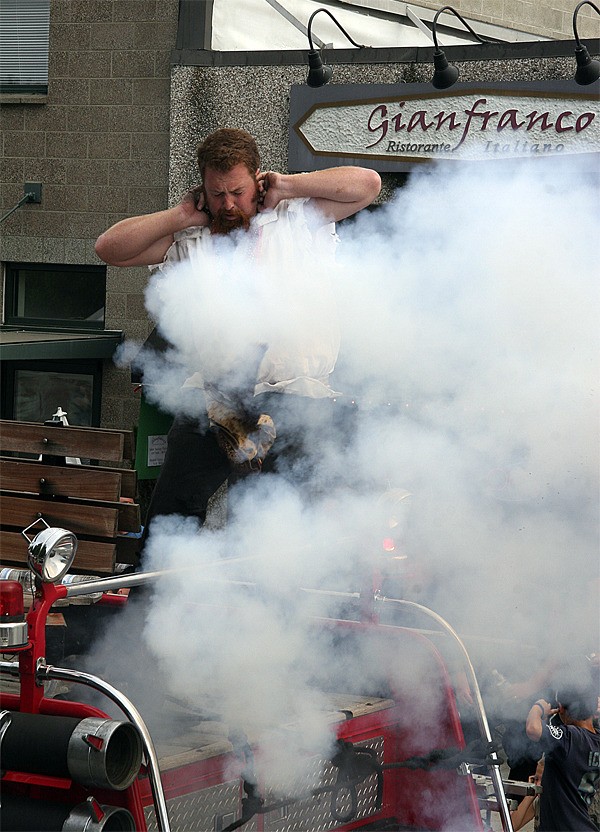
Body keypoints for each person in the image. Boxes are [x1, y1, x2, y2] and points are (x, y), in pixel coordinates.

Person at [95, 128, 381, 543]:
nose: (228, 204)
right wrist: (179, 215)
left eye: (238, 192)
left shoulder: (299, 216)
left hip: (294, 395)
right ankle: (157, 601)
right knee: (171, 515)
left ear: (257, 182)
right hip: (215, 399)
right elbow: (108, 249)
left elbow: (368, 184)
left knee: (271, 526)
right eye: (216, 194)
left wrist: (288, 186)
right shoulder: (191, 238)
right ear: (202, 191)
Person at [525, 684, 600, 831]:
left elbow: (533, 729)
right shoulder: (596, 741)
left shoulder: (571, 736)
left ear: (562, 709)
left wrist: (538, 707)